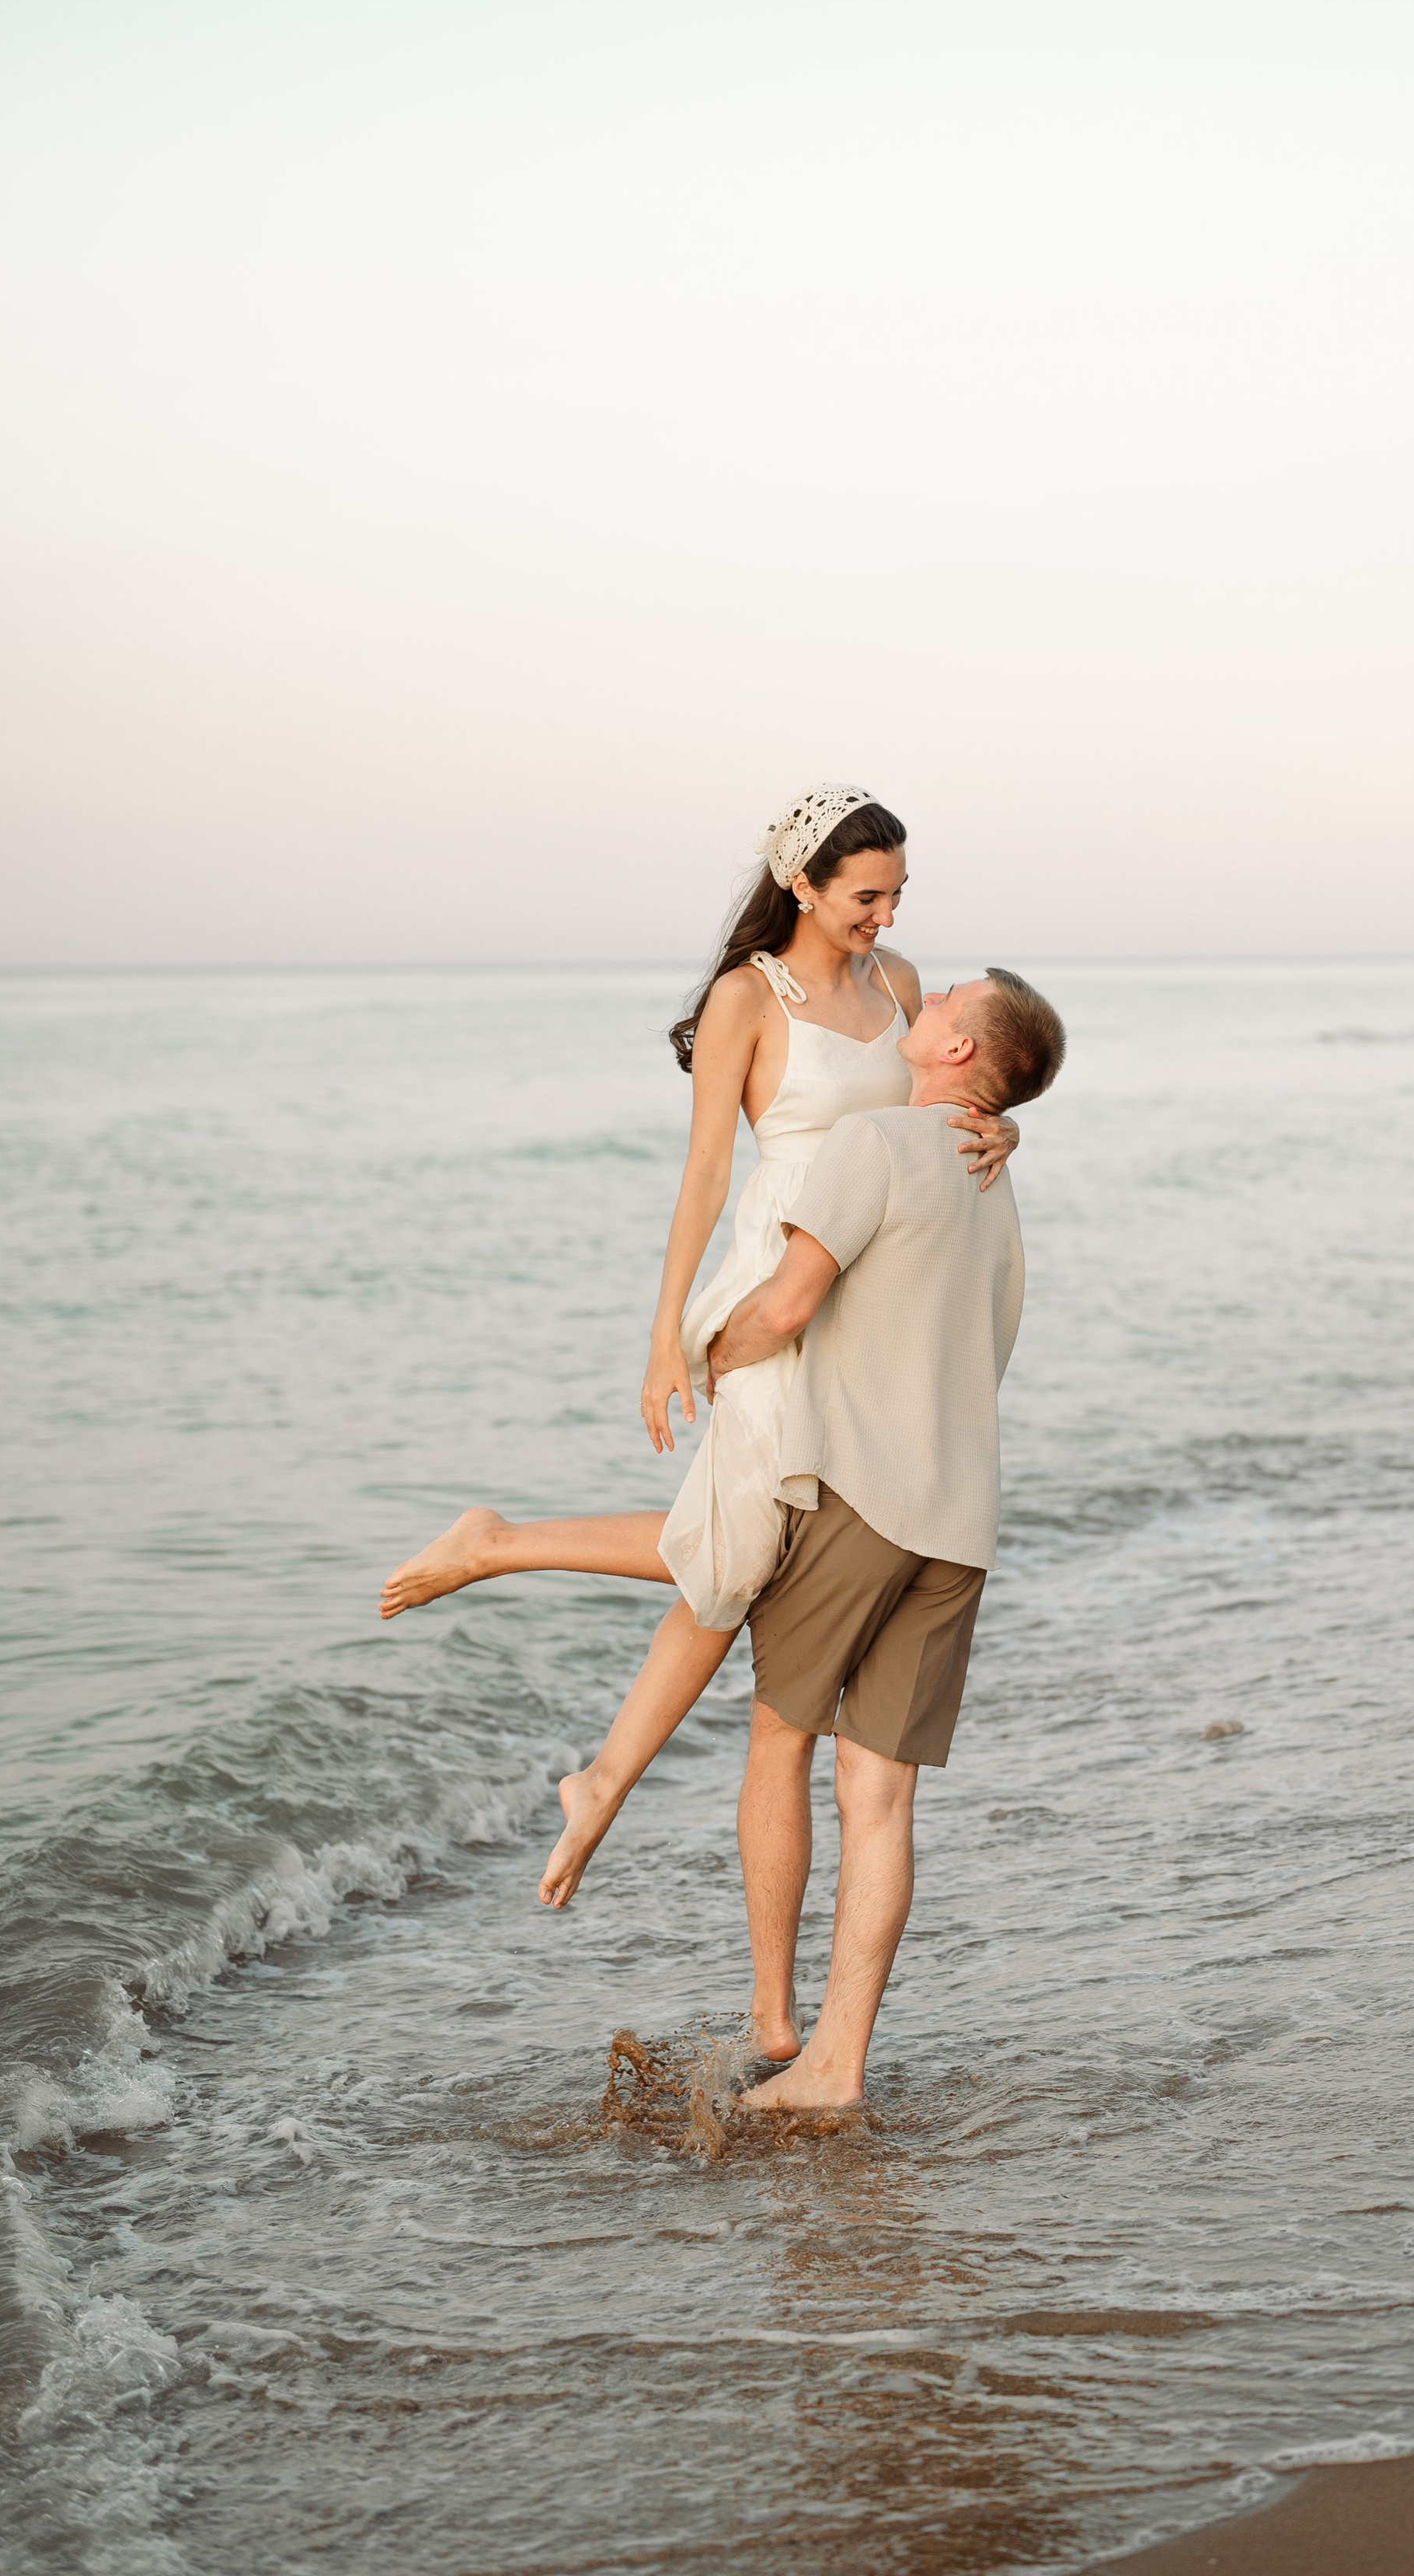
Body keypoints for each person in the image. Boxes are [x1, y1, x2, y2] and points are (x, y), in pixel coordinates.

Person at [376, 786, 1015, 2049]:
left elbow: (940, 1108)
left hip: (863, 1289)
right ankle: (534, 1626)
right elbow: (706, 1174)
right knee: (741, 1548)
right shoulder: (748, 1000)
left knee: (736, 1554)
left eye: (895, 893)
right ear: (804, 889)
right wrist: (668, 1336)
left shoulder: (903, 984)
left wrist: (999, 1132)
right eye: (864, 895)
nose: (885, 915)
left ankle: (581, 1724)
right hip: (777, 1278)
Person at [540, 966, 1067, 2112]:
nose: (918, 1009)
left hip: (861, 1505)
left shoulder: (875, 1146)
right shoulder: (991, 1178)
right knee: (879, 1798)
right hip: (959, 1523)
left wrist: (709, 1361)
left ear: (961, 1054)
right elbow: (994, 1332)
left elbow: (783, 1307)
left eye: (940, 1009)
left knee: (778, 1740)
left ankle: (781, 2019)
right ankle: (835, 2066)